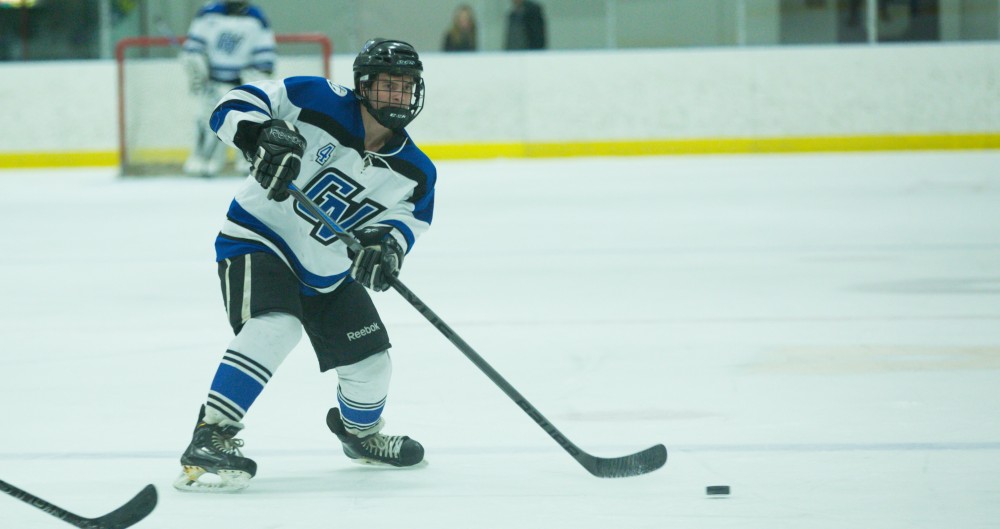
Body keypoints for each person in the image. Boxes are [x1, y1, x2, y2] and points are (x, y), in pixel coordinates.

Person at [173, 38, 435, 492]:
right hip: (259, 239)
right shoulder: (316, 99)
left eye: (405, 86)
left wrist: (385, 249)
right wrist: (257, 135)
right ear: (363, 86)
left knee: (373, 364)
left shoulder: (415, 171)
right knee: (277, 324)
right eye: (387, 84)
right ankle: (211, 433)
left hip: (328, 272)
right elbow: (233, 102)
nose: (396, 95)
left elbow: (409, 221)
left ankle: (360, 437)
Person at [180, 1, 276, 178]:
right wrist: (197, 65)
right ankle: (203, 157)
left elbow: (265, 57)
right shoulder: (209, 13)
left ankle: (246, 158)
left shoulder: (256, 18)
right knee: (205, 118)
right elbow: (194, 48)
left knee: (247, 119)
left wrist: (257, 76)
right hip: (212, 81)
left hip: (241, 81)